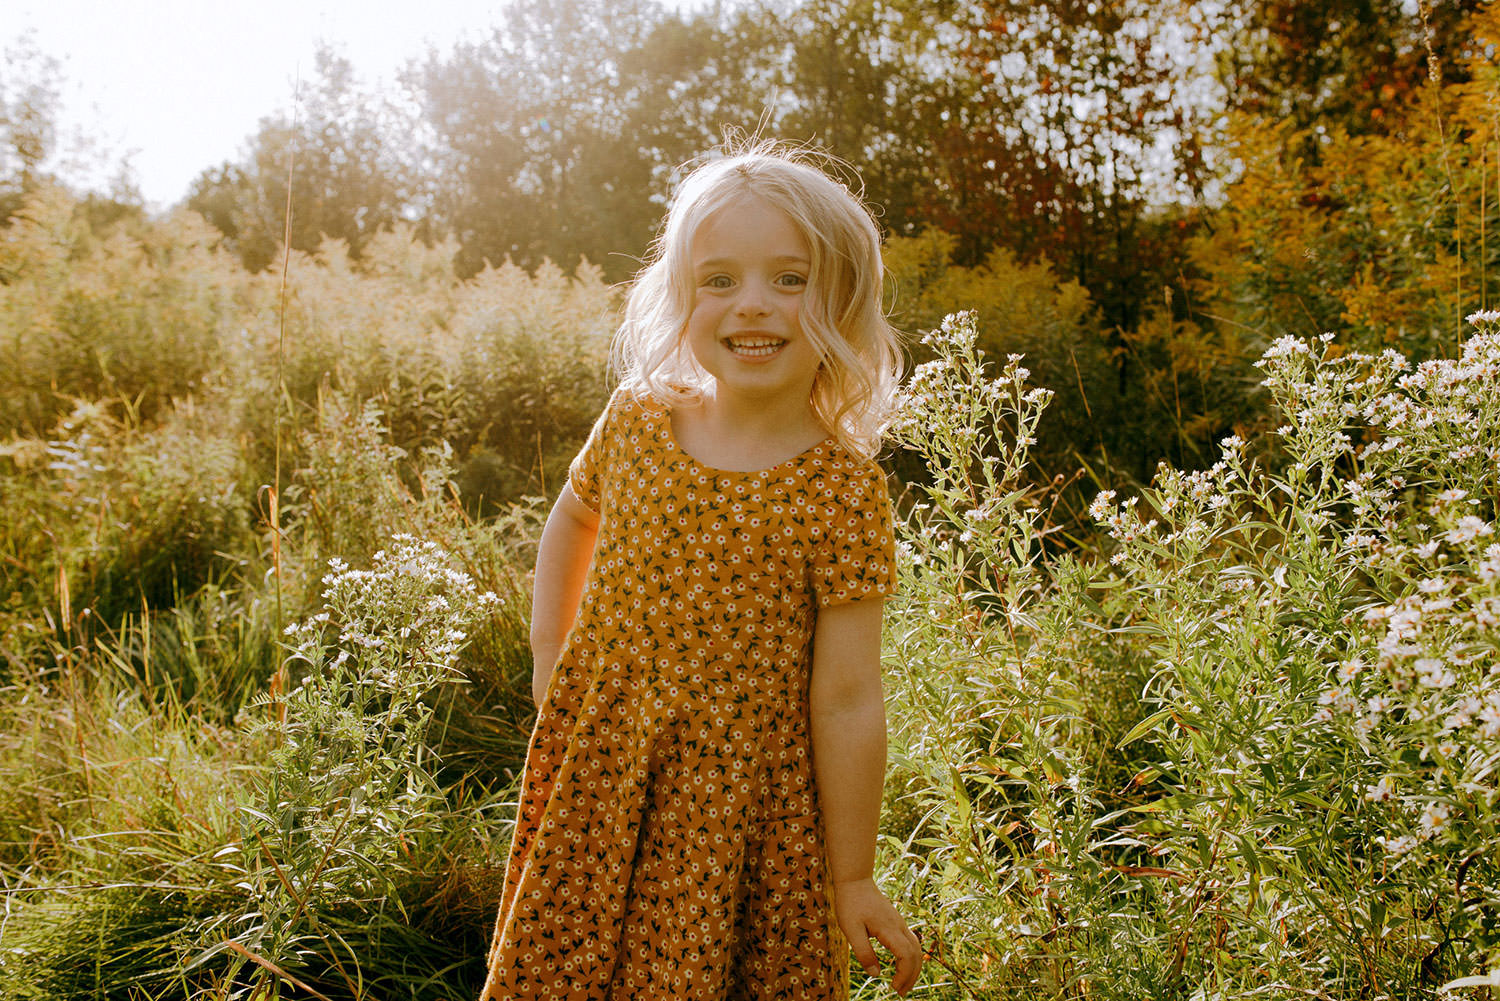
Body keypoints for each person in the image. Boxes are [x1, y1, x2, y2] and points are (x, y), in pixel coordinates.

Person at [481, 140, 923, 1000]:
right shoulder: (639, 423)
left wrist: (854, 875)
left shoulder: (843, 491)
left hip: (745, 809)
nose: (751, 305)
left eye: (789, 280)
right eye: (719, 280)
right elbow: (575, 513)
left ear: (843, 298)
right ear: (681, 295)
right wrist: (549, 652)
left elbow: (846, 696)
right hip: (605, 768)